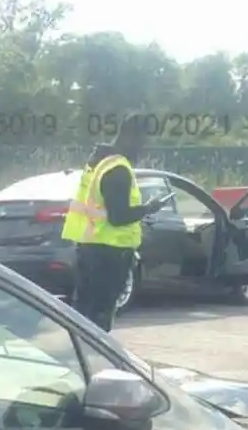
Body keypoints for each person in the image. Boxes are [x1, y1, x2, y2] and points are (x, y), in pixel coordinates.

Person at [60, 115, 173, 331]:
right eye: (143, 141)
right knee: (99, 316)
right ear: (131, 137)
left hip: (90, 248)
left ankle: (81, 355)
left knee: (83, 314)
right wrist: (149, 208)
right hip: (109, 254)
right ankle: (95, 356)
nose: (143, 148)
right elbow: (118, 216)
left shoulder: (98, 163)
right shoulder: (118, 169)